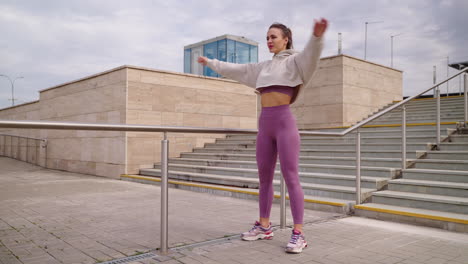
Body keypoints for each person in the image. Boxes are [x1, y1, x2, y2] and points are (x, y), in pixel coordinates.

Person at [198, 18, 328, 254]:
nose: (268, 41)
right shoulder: (262, 68)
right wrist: (210, 62)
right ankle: (264, 226)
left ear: (285, 39)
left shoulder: (296, 62)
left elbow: (312, 53)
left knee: (291, 176)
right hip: (264, 124)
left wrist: (317, 37)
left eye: (273, 37)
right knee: (264, 178)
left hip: (284, 123)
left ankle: (298, 233)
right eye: (267, 37)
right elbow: (235, 70)